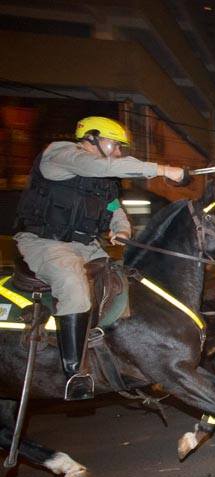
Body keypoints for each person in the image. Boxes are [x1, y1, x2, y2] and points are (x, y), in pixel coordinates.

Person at [14, 116, 185, 400]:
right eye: (115, 145)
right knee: (74, 286)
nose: (118, 152)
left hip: (87, 246)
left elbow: (115, 208)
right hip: (46, 243)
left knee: (124, 282)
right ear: (92, 138)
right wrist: (164, 170)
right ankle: (74, 373)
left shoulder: (103, 182)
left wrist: (121, 230)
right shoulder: (60, 153)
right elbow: (98, 165)